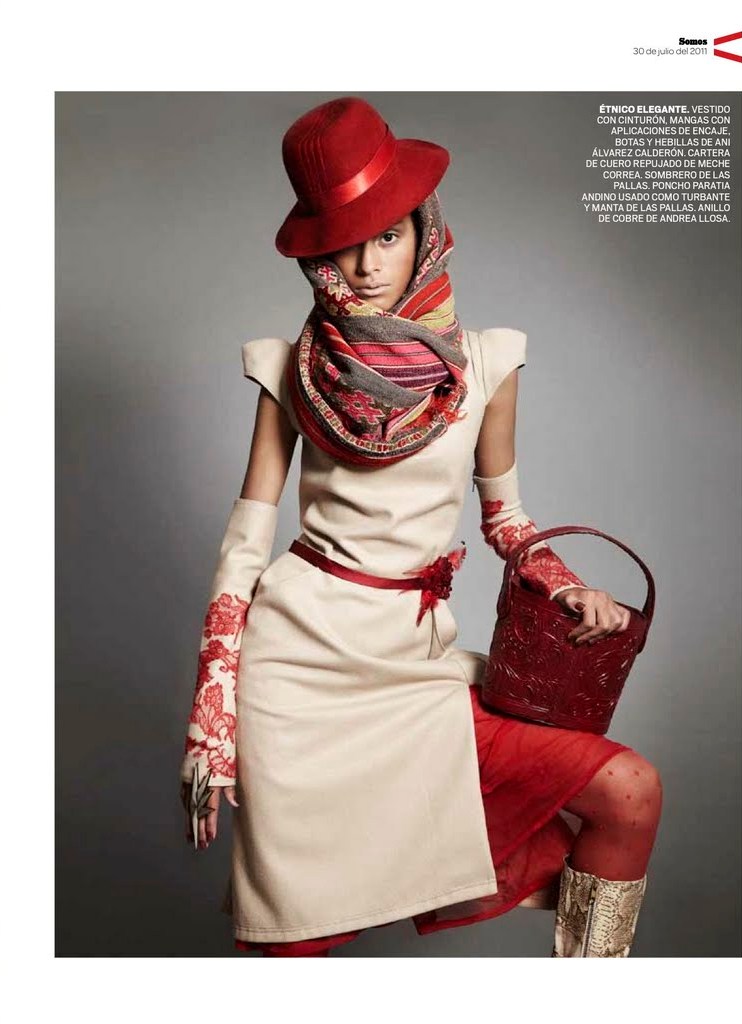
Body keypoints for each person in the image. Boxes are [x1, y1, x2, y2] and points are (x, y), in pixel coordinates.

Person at [178, 96, 663, 958]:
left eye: (387, 236)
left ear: (425, 231)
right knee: (295, 943)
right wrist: (211, 715)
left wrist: (566, 586)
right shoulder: (289, 370)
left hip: (415, 668)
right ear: (317, 254)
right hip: (296, 675)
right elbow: (244, 546)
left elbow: (506, 519)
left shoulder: (488, 364)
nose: (366, 265)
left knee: (626, 790)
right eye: (344, 244)